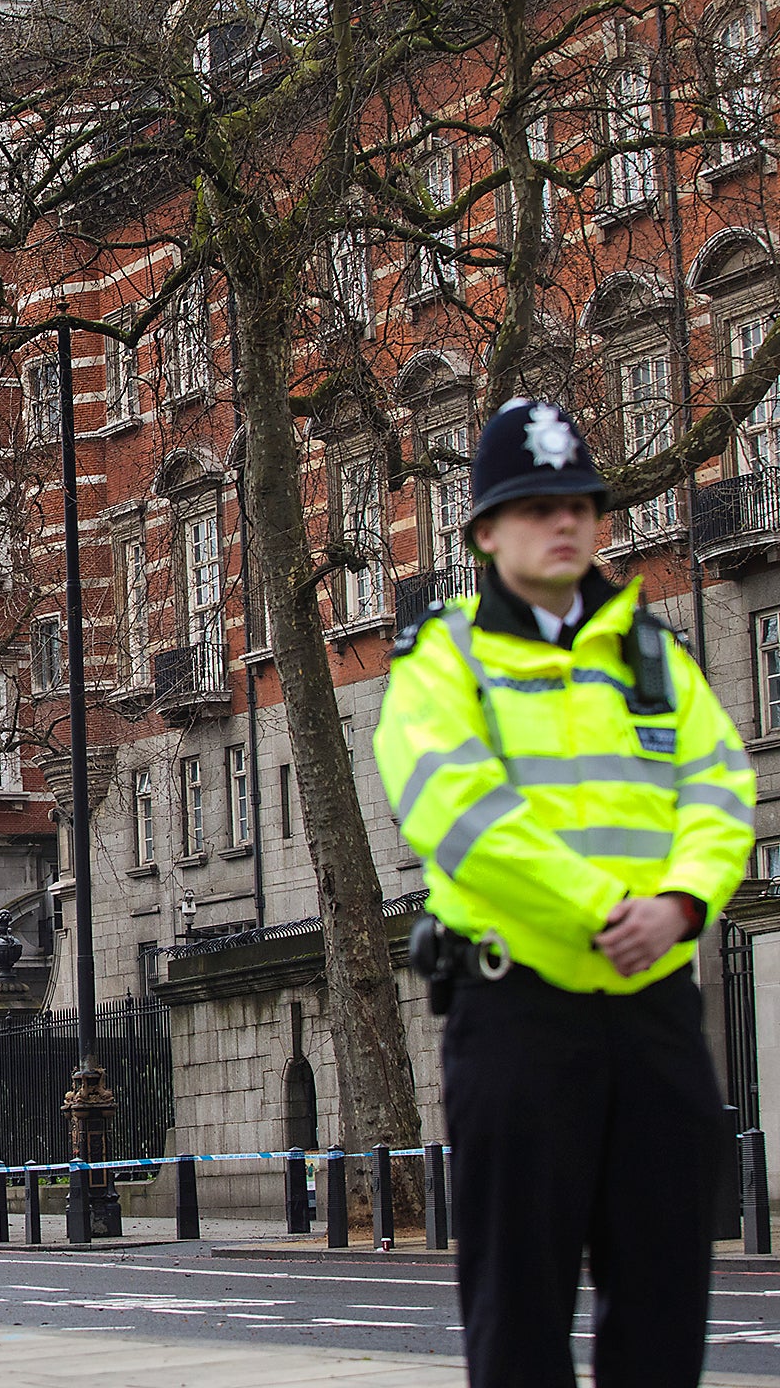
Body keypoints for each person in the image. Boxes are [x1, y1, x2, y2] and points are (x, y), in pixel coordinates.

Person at [375, 398, 754, 1387]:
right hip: (516, 1016)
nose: (563, 523)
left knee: (666, 1302)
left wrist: (678, 903)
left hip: (654, 1014)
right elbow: (458, 815)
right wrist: (599, 908)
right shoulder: (439, 663)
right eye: (535, 506)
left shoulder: (655, 657)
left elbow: (719, 792)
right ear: (484, 532)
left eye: (578, 504)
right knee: (518, 1314)